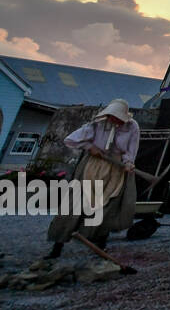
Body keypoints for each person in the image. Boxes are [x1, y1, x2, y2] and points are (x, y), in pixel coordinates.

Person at [46, 98, 140, 258]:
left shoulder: (132, 127)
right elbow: (71, 140)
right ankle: (57, 246)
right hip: (93, 166)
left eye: (117, 117)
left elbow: (131, 148)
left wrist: (129, 163)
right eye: (111, 116)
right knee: (75, 205)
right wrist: (90, 147)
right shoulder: (97, 124)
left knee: (107, 208)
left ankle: (100, 245)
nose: (114, 120)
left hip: (115, 170)